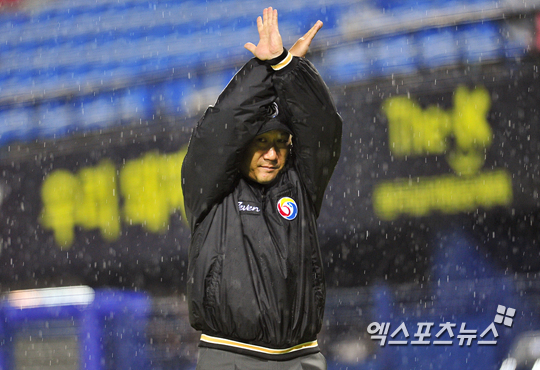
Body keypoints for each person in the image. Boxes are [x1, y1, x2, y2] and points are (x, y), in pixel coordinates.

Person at [181, 7, 342, 370]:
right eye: (261, 142)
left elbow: (322, 129)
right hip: (230, 359)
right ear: (241, 145)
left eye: (281, 143)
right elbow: (221, 128)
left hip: (302, 358)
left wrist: (287, 70)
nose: (272, 154)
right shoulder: (211, 190)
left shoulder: (300, 184)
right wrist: (264, 70)